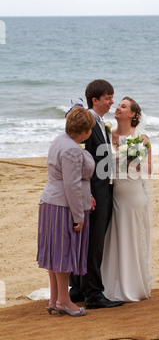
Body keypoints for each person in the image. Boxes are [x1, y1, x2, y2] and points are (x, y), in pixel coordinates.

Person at [69, 79, 124, 309]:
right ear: (95, 100)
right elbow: (83, 162)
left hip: (104, 188)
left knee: (89, 242)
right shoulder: (88, 123)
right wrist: (89, 194)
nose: (112, 102)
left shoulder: (101, 123)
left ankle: (79, 289)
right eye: (108, 98)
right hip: (95, 193)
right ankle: (93, 295)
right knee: (94, 244)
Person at [37, 106, 96, 317]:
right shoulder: (72, 149)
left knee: (54, 253)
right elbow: (71, 185)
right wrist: (79, 215)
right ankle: (64, 300)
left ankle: (54, 299)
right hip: (63, 206)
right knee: (63, 254)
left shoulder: (59, 140)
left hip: (50, 202)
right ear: (85, 131)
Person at [101, 97, 152, 301]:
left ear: (133, 114)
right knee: (111, 239)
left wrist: (136, 162)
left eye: (123, 106)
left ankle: (132, 286)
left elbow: (149, 169)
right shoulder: (107, 135)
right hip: (111, 195)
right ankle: (109, 286)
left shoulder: (142, 139)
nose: (117, 108)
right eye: (118, 105)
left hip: (132, 195)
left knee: (130, 237)